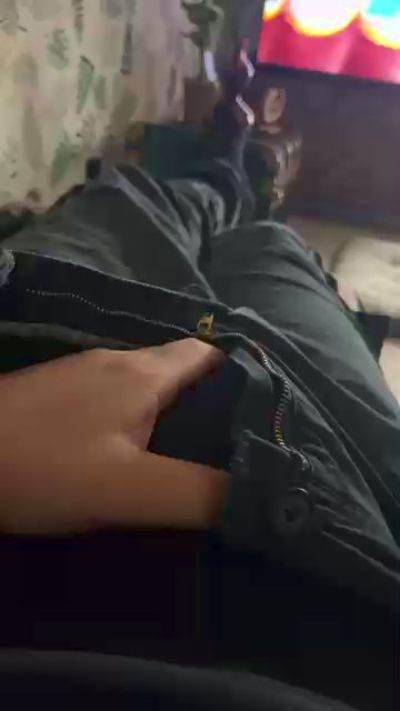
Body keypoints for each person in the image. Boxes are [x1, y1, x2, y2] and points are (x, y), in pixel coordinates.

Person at [0, 65, 399, 711]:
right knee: (271, 248)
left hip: (33, 364)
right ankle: (244, 176)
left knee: (129, 203)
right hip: (366, 527)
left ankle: (231, 170)